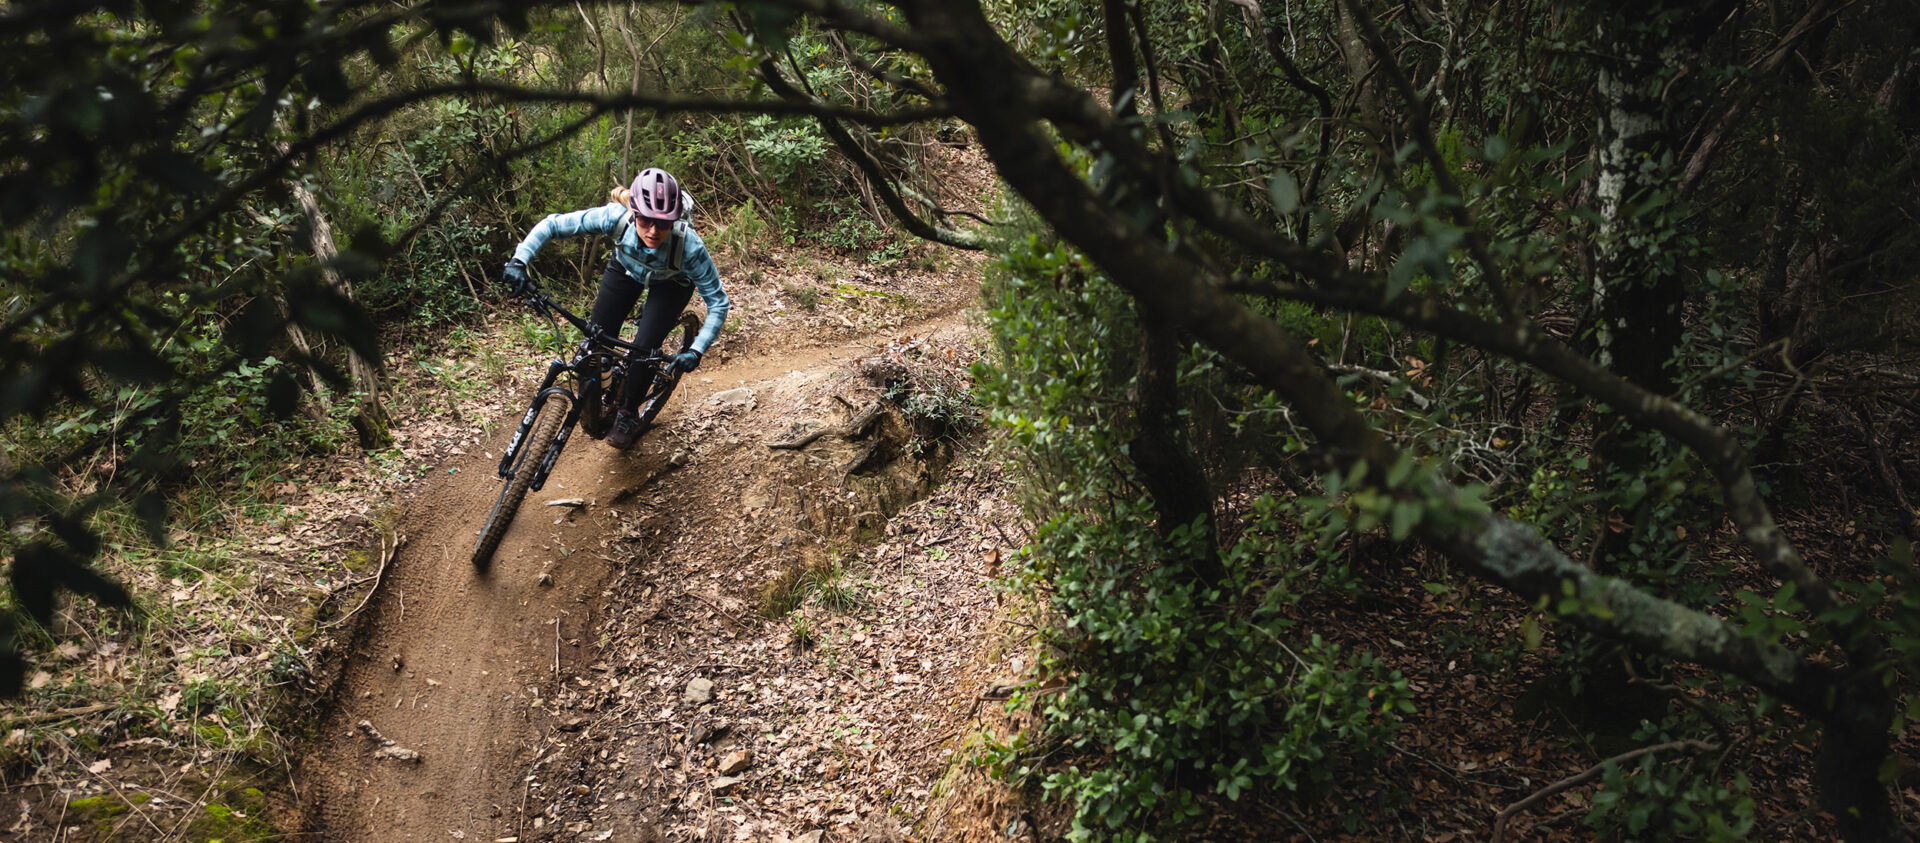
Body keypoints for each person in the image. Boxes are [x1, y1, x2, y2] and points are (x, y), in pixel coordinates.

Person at [500, 168, 730, 449]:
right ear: (634, 213)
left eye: (663, 223)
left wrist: (697, 349)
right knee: (595, 342)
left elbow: (718, 301)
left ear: (674, 219)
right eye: (645, 220)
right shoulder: (615, 218)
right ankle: (606, 379)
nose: (654, 231)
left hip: (672, 282)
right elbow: (552, 225)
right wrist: (519, 261)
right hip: (626, 268)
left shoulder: (689, 246)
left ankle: (629, 411)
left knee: (645, 348)